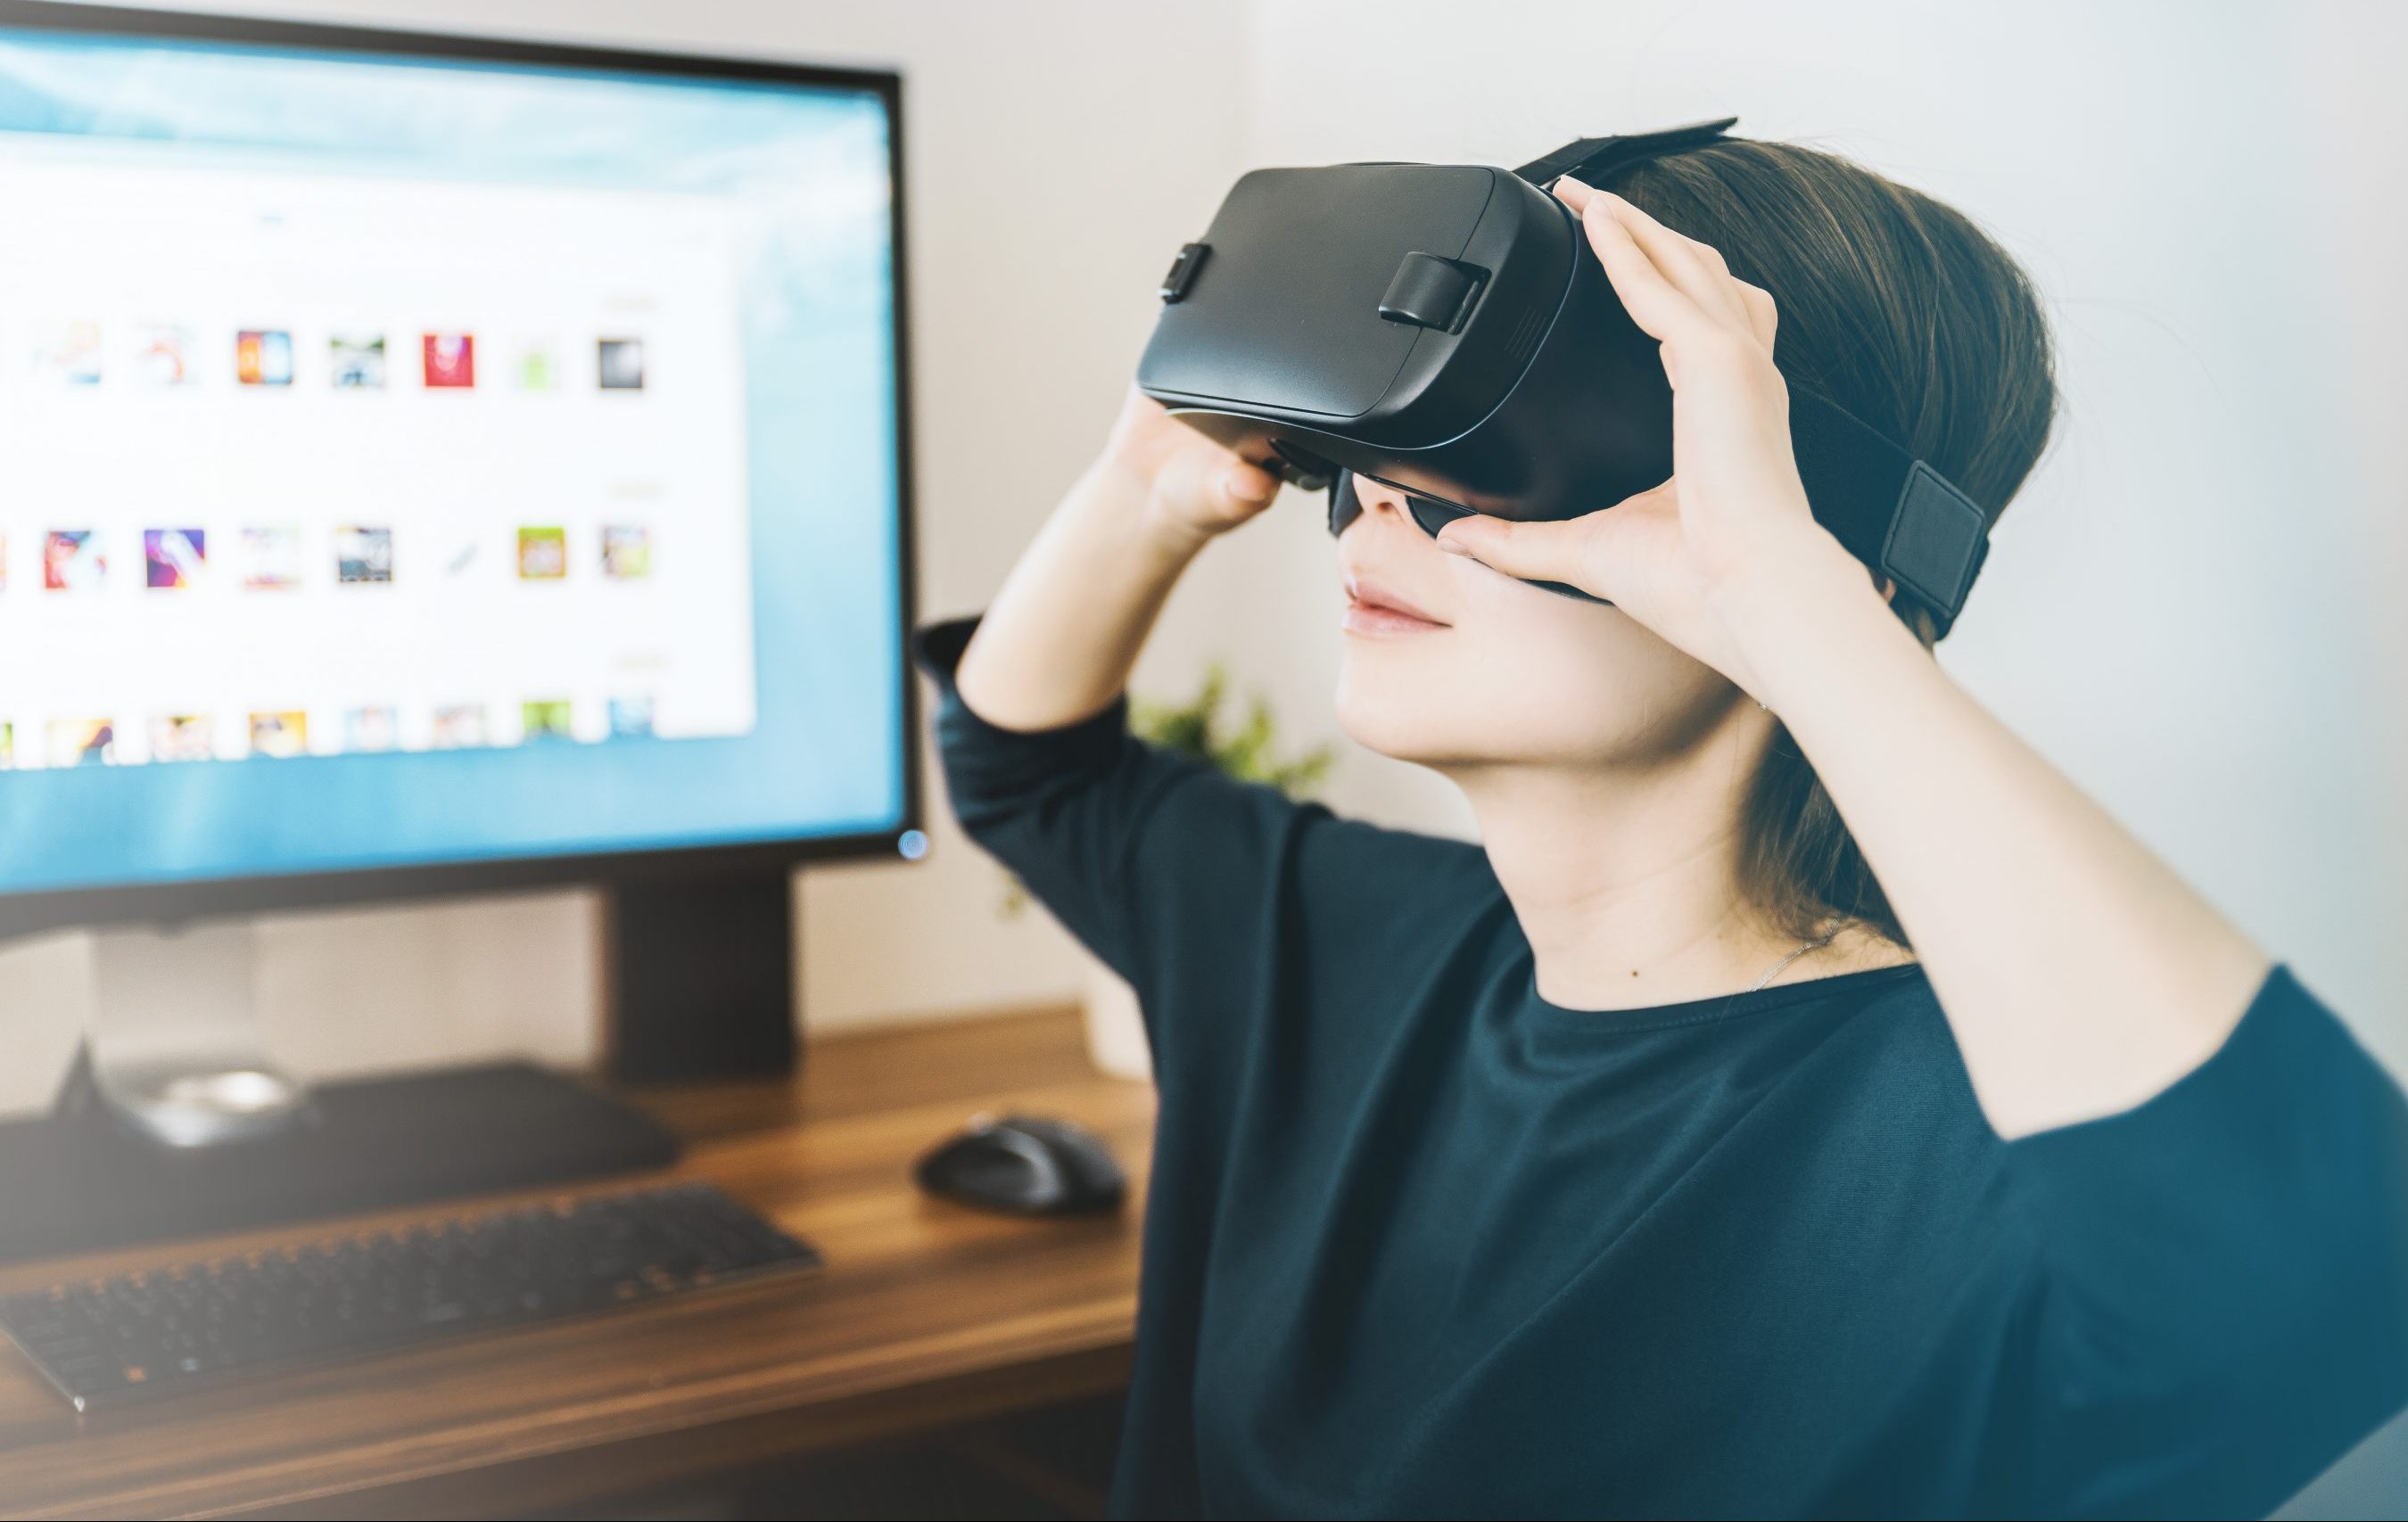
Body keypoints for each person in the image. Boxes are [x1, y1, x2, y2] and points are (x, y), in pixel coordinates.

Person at [910, 136, 2408, 1518]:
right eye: (1393, 445)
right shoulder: (1342, 948)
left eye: (1497, 449)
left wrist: (1787, 595)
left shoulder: (1960, 1154)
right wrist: (1149, 485)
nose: (1388, 501)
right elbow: (1028, 772)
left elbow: (2323, 1282)